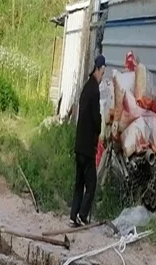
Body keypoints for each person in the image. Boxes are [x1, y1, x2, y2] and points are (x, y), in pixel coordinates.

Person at [70, 54, 106, 227]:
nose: (102, 76)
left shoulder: (86, 87)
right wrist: (100, 128)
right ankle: (82, 216)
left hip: (78, 145)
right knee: (91, 183)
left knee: (79, 182)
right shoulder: (95, 90)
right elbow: (95, 117)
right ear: (99, 70)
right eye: (102, 72)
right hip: (87, 147)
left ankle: (72, 216)